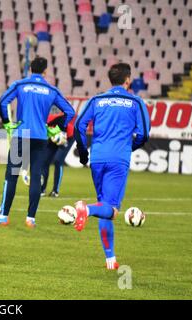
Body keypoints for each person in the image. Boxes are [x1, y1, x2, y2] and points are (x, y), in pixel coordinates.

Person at [73, 63, 150, 270]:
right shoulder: (135, 101)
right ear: (128, 80)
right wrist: (128, 147)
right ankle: (85, 209)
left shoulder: (97, 100)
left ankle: (110, 259)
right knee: (112, 210)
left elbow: (78, 126)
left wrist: (83, 152)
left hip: (97, 158)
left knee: (104, 207)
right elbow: (144, 134)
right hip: (118, 159)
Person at [0, 56, 75, 228]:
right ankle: (30, 219)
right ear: (45, 71)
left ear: (30, 69)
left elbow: (2, 102)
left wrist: (7, 123)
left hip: (21, 134)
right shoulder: (51, 89)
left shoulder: (20, 85)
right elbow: (70, 111)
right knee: (36, 176)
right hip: (41, 138)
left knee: (11, 176)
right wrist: (57, 129)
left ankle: (4, 216)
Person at [40, 111, 76, 197]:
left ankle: (55, 191)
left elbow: (62, 136)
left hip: (67, 136)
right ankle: (42, 189)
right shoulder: (42, 120)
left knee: (58, 160)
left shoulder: (53, 118)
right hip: (53, 138)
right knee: (44, 161)